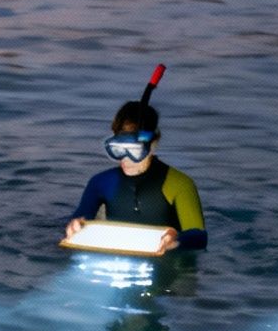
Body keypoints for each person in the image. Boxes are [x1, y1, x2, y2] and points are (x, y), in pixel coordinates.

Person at [65, 99, 208, 251]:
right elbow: (81, 216)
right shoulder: (100, 182)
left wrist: (176, 239)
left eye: (134, 150)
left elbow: (200, 236)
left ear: (154, 143)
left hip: (165, 262)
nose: (125, 159)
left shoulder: (180, 184)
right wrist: (75, 225)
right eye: (118, 149)